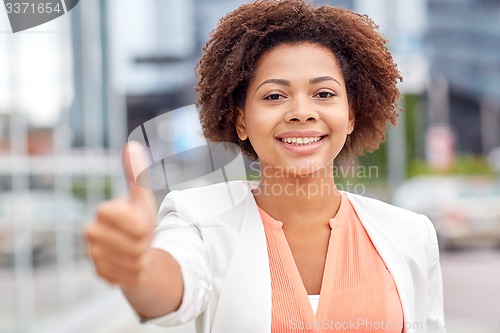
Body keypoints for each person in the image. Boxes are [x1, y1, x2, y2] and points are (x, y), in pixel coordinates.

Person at [85, 1, 446, 332]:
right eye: (274, 96)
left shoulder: (411, 234)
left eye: (324, 94)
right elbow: (171, 290)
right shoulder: (198, 218)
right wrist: (138, 268)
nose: (302, 111)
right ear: (240, 120)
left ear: (350, 115)